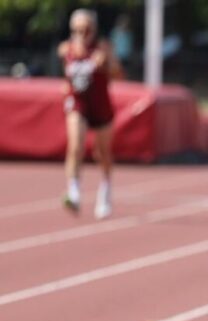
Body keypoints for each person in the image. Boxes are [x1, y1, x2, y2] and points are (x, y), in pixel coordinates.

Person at [58, 8, 122, 219]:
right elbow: (67, 75)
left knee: (102, 154)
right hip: (78, 105)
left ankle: (106, 188)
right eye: (77, 29)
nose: (81, 34)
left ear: (93, 29)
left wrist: (106, 64)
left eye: (86, 29)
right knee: (75, 145)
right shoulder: (66, 49)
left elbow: (118, 74)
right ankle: (74, 192)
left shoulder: (103, 48)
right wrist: (66, 88)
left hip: (101, 107)